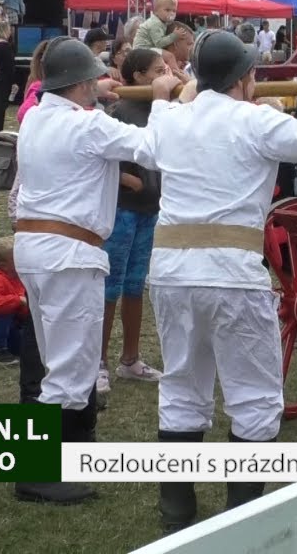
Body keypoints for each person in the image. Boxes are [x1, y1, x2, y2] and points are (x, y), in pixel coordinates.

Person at [143, 30, 297, 532]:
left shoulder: (173, 121)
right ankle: (242, 518)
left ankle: (175, 512)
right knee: (255, 397)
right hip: (229, 275)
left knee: (182, 385)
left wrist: (165, 98)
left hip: (172, 274)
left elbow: (157, 136)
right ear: (246, 79)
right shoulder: (254, 119)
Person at [11, 36, 183, 505]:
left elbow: (89, 118)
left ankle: (63, 460)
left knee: (59, 359)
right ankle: (40, 473)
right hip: (69, 253)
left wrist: (98, 96)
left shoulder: (35, 119)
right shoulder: (87, 127)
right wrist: (163, 98)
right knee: (69, 367)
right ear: (82, 84)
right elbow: (154, 147)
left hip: (37, 248)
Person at [99, 48, 169, 400]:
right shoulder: (120, 110)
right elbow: (104, 159)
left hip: (150, 210)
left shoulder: (165, 108)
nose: (167, 72)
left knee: (135, 285)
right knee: (110, 286)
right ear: (139, 76)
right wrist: (130, 181)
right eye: (159, 69)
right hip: (123, 209)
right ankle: (98, 362)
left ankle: (130, 359)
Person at [0, 236, 28, 364]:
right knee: (2, 311)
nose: (22, 260)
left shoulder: (23, 276)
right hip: (7, 329)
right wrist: (18, 300)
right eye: (16, 258)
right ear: (3, 265)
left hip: (20, 325)